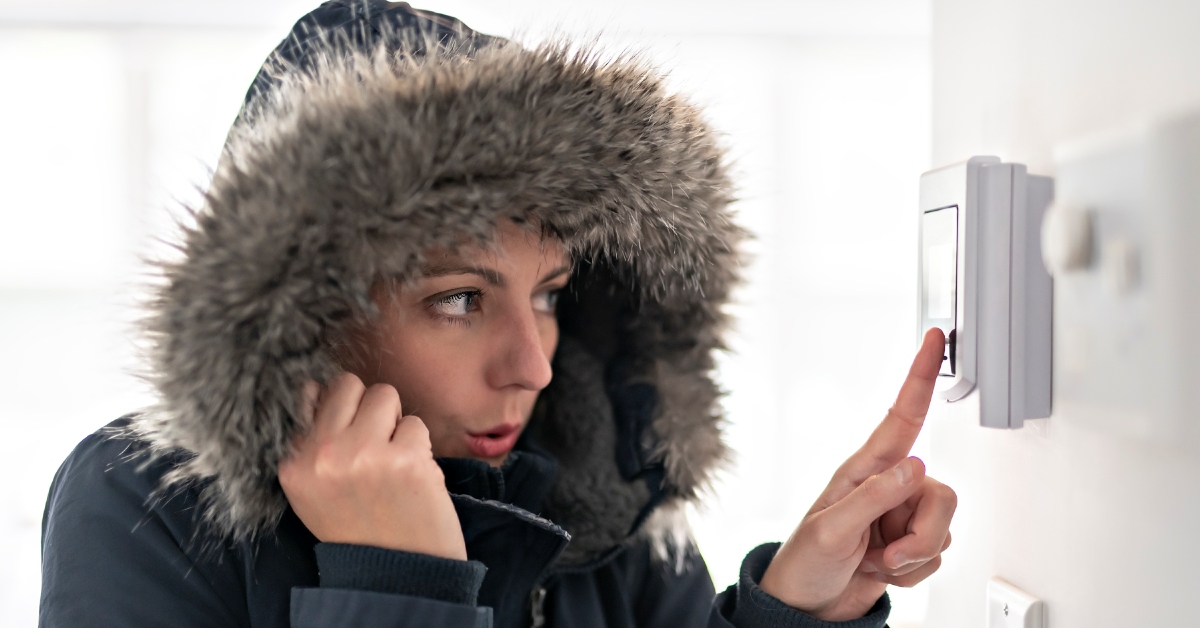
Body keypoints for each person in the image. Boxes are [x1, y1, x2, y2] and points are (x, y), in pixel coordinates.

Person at [38, 2, 956, 627]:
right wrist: (402, 586)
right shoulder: (145, 507)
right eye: (460, 300)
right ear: (305, 310)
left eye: (549, 294)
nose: (534, 365)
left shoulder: (601, 506)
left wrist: (794, 608)